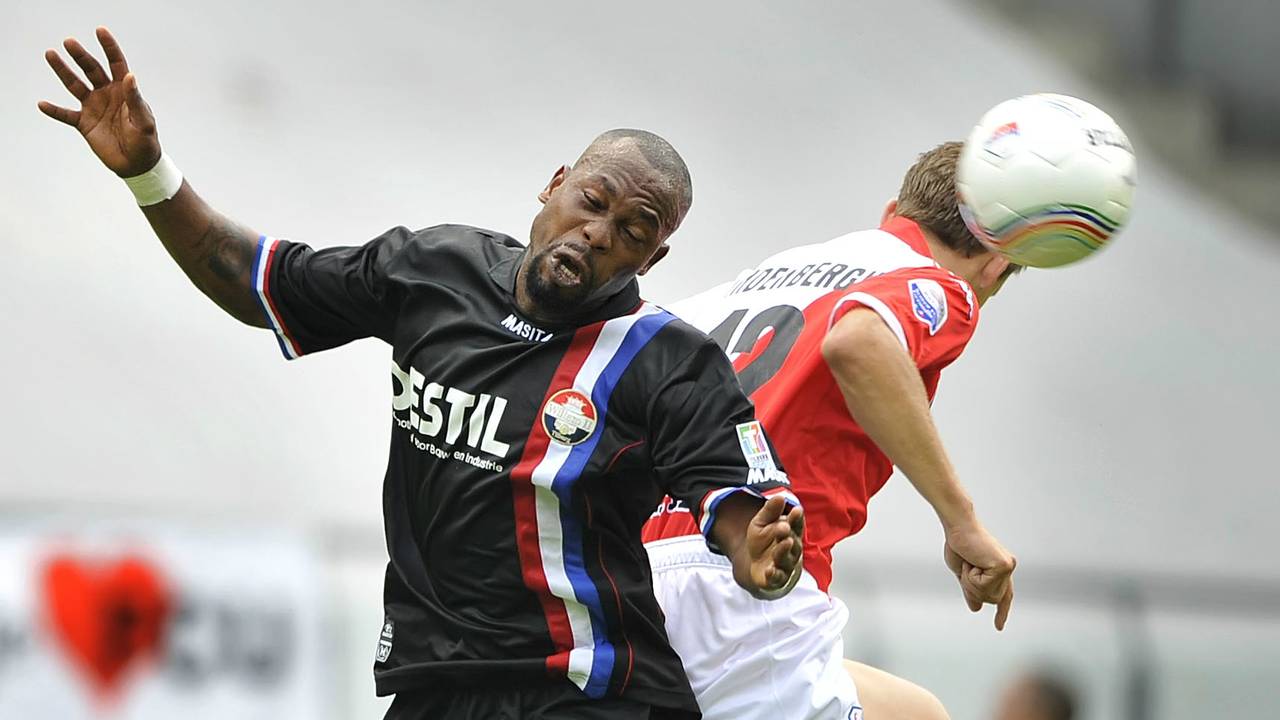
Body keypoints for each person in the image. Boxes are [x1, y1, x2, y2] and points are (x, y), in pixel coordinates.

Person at [40, 27, 805, 720]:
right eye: (591, 202)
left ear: (652, 257)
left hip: (583, 692)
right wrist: (150, 176)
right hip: (436, 680)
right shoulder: (434, 269)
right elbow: (258, 282)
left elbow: (736, 499)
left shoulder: (664, 359)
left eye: (631, 231)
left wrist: (756, 554)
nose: (597, 234)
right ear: (555, 183)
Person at [642, 141, 1019, 720]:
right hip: (748, 579)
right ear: (995, 264)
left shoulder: (754, 279)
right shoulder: (937, 284)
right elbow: (859, 341)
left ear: (895, 209)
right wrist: (961, 522)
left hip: (633, 568)